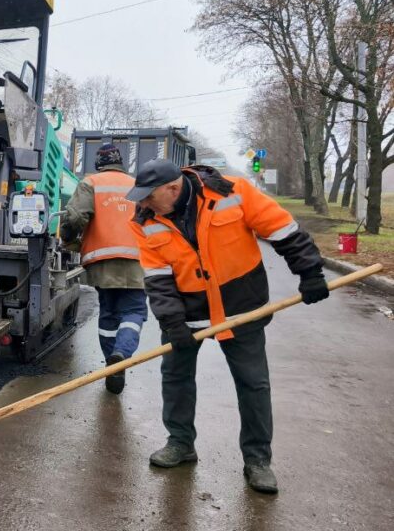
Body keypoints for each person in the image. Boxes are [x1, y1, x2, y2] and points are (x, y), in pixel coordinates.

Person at [126, 159, 328, 494]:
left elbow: (282, 230)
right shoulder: (145, 220)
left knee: (253, 383)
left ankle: (258, 460)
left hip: (240, 307)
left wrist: (310, 272)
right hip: (185, 313)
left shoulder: (232, 192)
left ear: (173, 188)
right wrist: (173, 323)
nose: (144, 202)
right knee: (175, 377)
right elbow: (158, 277)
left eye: (149, 195)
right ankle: (180, 443)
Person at [61, 143, 146, 394]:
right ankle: (121, 354)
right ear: (121, 162)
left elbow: (75, 217)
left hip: (102, 260)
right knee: (134, 311)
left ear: (99, 163)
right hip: (136, 260)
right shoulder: (138, 185)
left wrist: (68, 238)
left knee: (108, 313)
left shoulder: (91, 182)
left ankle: (111, 362)